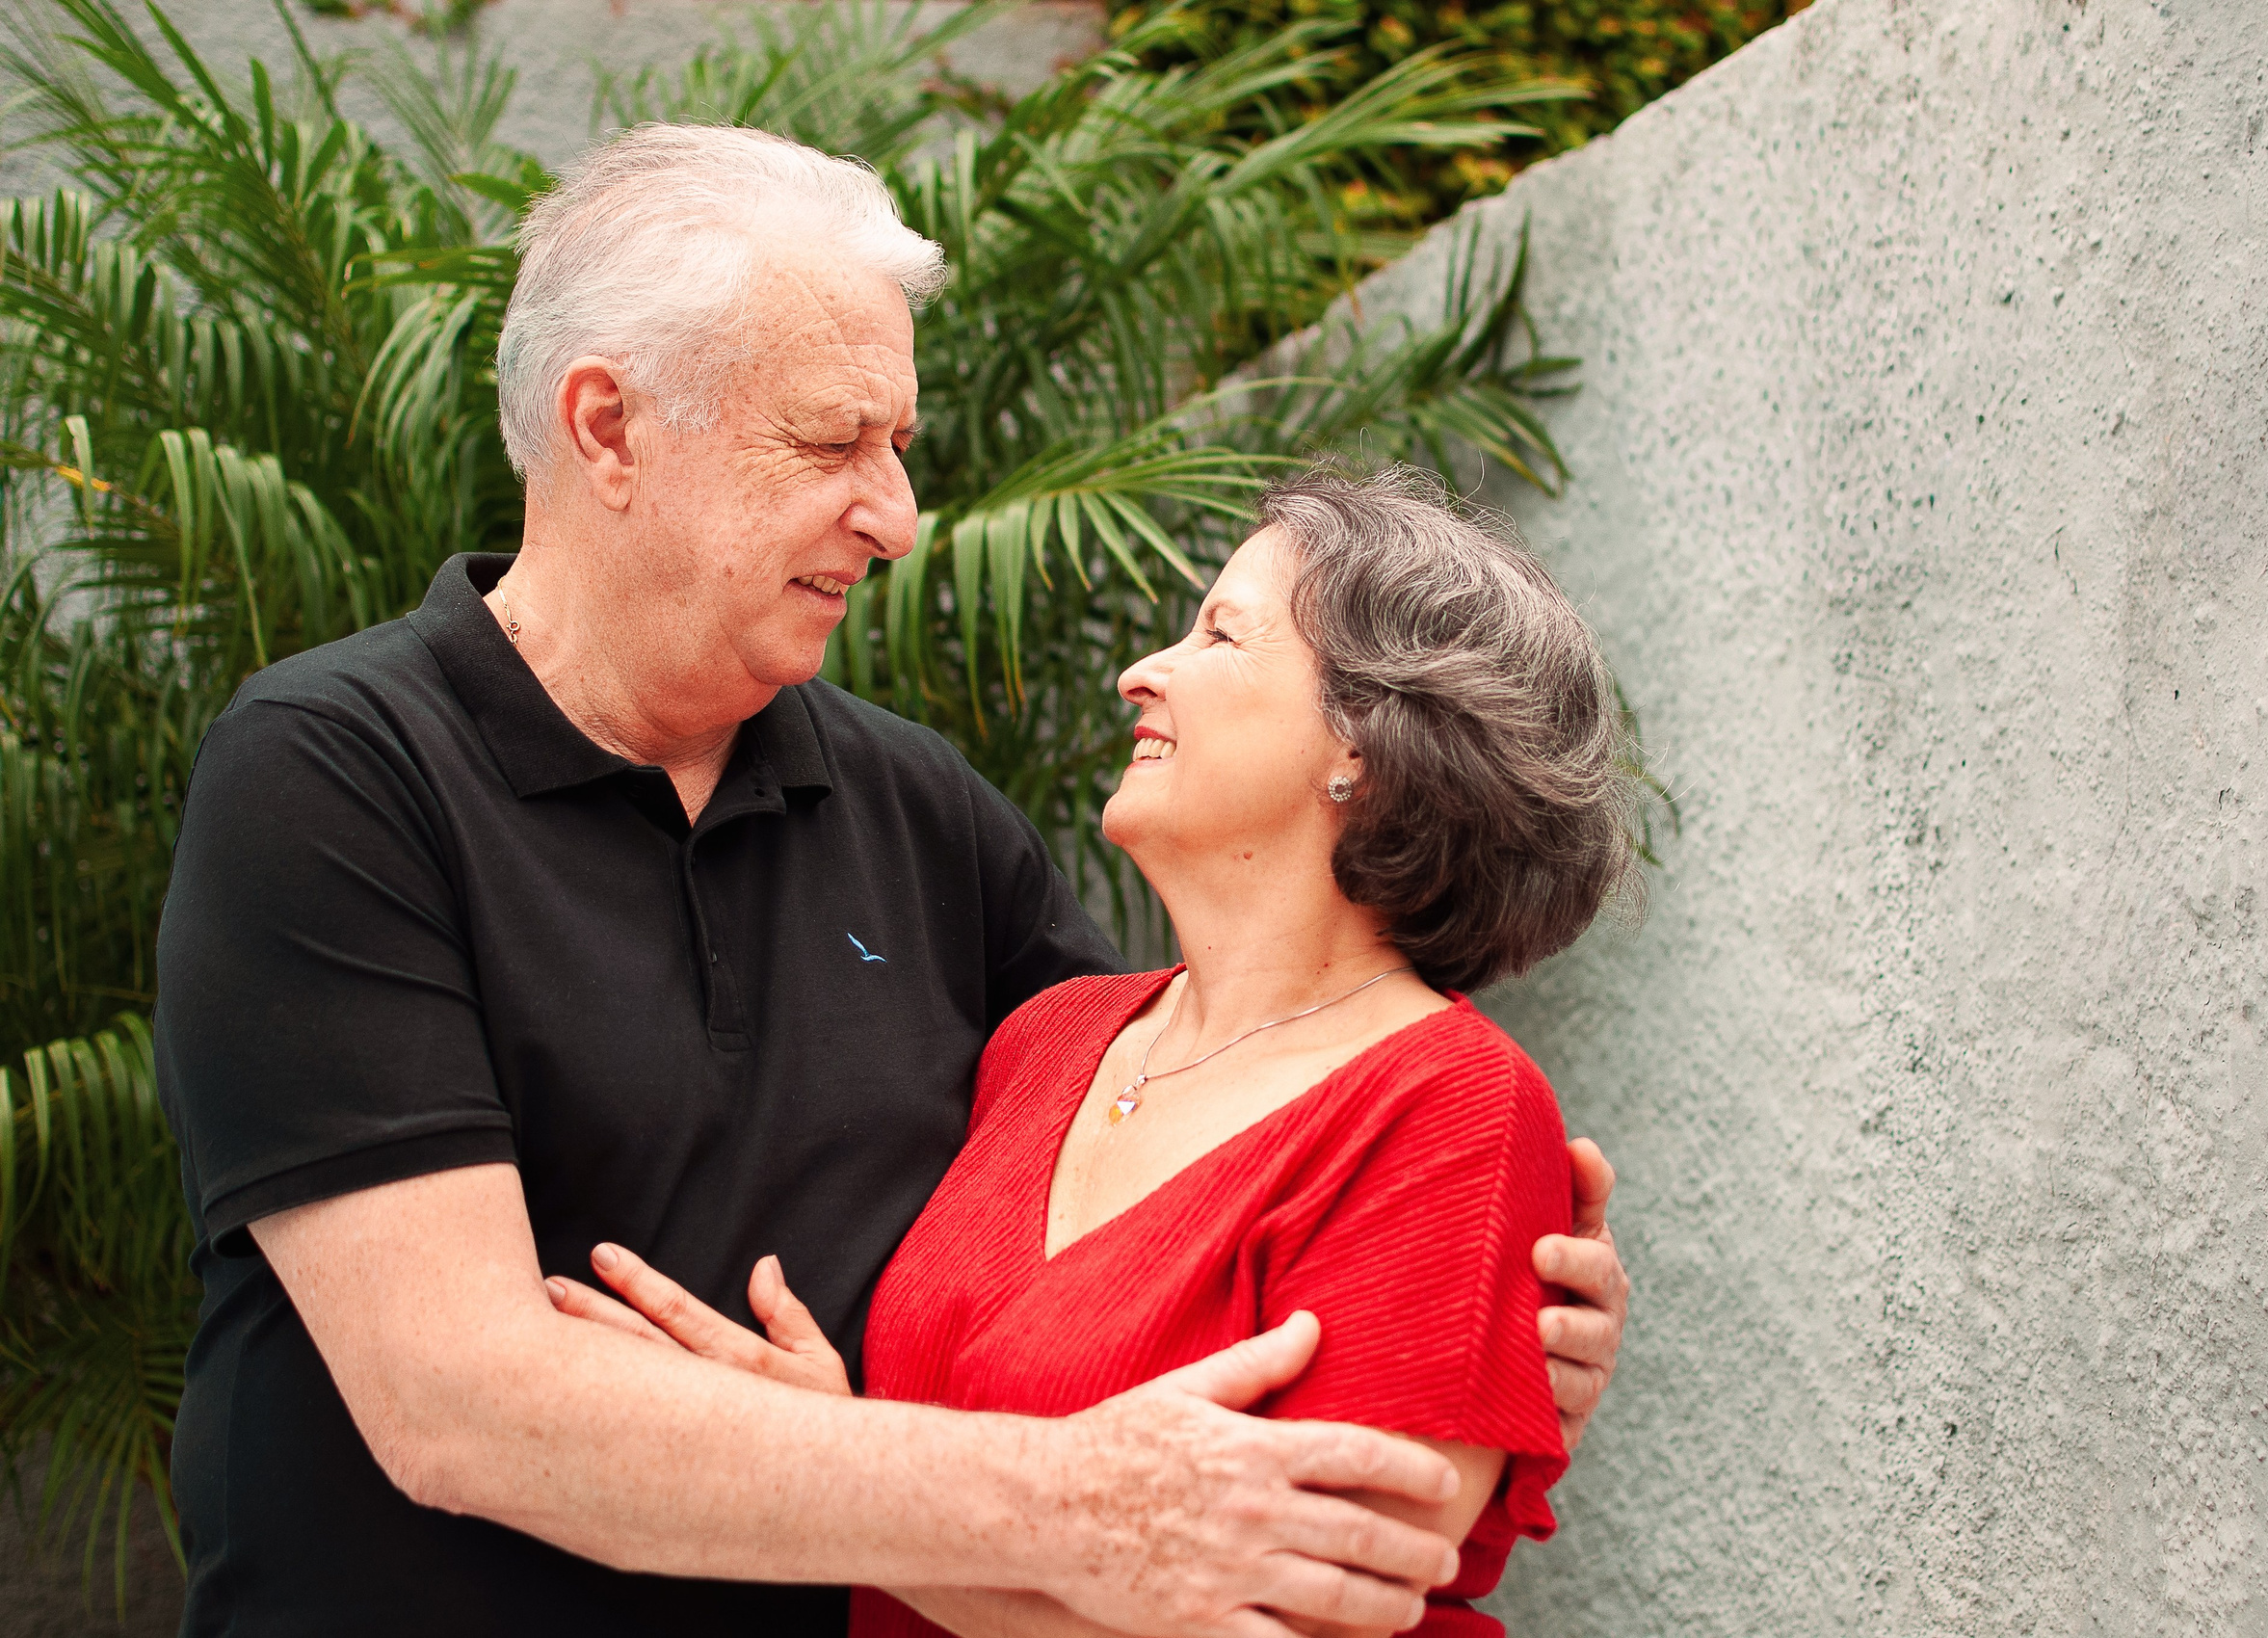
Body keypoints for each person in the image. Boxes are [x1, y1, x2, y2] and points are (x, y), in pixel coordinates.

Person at [151, 123, 1630, 1638]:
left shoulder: (921, 812)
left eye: (898, 445)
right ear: (608, 430)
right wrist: (1078, 1508)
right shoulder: (335, 775)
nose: (898, 518)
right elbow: (462, 1405)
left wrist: (1464, 1311)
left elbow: (1195, 1173)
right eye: (828, 443)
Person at [556, 464, 1643, 1638]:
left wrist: (818, 1480)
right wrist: (839, 1454)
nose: (1141, 670)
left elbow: (1300, 1616)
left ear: (1364, 745)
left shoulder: (1450, 1107)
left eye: (1219, 633)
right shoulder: (1051, 1036)